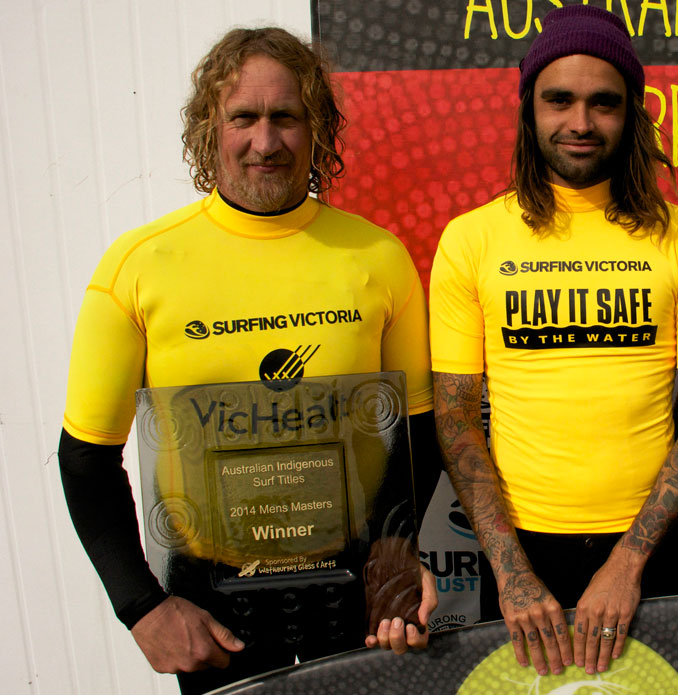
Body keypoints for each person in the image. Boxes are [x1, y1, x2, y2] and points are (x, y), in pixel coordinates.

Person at [58, 27, 437, 694]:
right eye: (245, 117)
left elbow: (418, 435)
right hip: (213, 606)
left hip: (358, 594)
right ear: (211, 127)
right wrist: (141, 607)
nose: (266, 142)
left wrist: (396, 553)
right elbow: (85, 456)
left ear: (315, 126)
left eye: (285, 117)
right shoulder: (139, 267)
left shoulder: (377, 258)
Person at [429, 4, 678, 678]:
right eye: (559, 99)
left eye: (604, 102)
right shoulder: (471, 240)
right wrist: (510, 573)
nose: (581, 123)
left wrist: (629, 561)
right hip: (520, 555)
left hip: (649, 550)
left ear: (631, 113)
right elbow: (454, 416)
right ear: (528, 108)